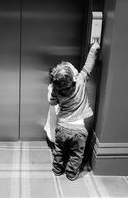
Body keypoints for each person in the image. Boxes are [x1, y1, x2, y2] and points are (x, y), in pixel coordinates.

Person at [48, 42, 100, 180]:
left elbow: (52, 101)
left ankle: (57, 169)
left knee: (59, 151)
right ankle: (71, 173)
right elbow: (88, 66)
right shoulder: (81, 81)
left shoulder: (56, 89)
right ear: (74, 78)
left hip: (62, 128)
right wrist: (94, 47)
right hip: (79, 131)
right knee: (76, 155)